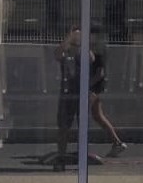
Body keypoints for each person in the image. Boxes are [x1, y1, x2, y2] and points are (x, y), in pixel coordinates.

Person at [53, 24, 126, 169]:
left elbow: (93, 62)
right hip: (68, 92)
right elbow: (58, 54)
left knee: (86, 121)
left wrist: (81, 45)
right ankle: (62, 155)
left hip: (83, 92)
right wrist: (69, 38)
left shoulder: (88, 51)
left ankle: (88, 152)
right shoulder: (67, 51)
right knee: (64, 125)